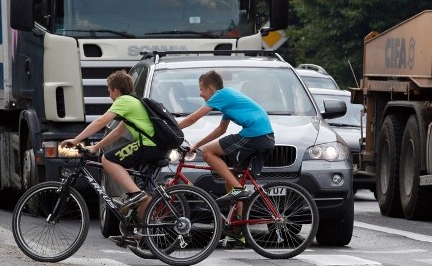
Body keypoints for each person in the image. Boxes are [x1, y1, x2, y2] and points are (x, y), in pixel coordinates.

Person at [61, 70, 167, 214]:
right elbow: (117, 131)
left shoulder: (124, 101)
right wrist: (95, 147)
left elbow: (100, 122)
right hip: (155, 146)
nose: (109, 95)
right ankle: (139, 233)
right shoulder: (133, 101)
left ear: (116, 91)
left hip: (148, 145)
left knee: (108, 159)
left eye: (109, 91)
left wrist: (76, 140)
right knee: (146, 194)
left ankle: (136, 194)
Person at [178, 70, 275, 205]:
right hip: (265, 136)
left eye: (201, 89)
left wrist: (172, 128)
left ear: (210, 88)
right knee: (232, 179)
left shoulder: (220, 95)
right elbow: (220, 130)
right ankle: (238, 220)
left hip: (255, 134)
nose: (200, 94)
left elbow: (193, 118)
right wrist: (196, 145)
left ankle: (239, 189)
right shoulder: (228, 99)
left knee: (207, 152)